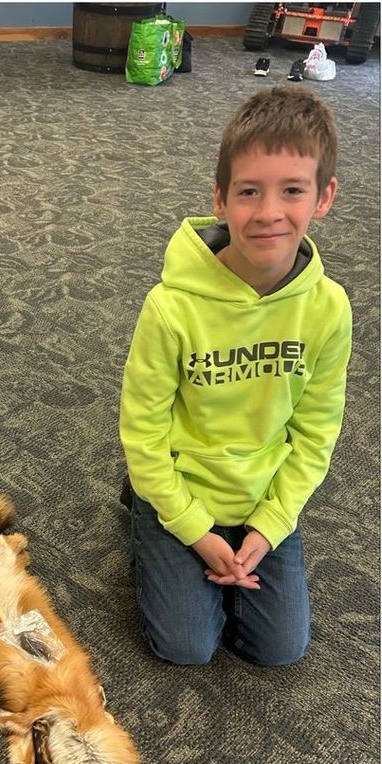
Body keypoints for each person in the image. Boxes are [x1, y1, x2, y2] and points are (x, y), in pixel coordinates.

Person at [119, 87, 352, 667]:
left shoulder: (329, 309)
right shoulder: (171, 307)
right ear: (221, 199)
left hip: (262, 495)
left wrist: (268, 529)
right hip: (183, 485)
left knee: (280, 649)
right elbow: (142, 433)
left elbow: (316, 434)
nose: (269, 212)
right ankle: (143, 510)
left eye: (292, 191)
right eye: (249, 191)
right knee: (186, 647)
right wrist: (195, 529)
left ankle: (201, 545)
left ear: (323, 198)